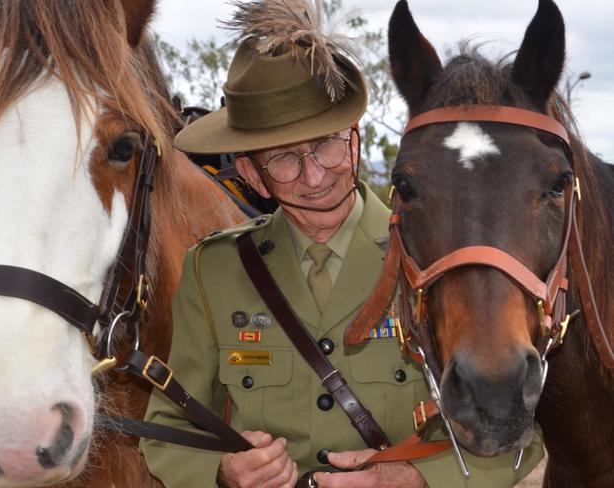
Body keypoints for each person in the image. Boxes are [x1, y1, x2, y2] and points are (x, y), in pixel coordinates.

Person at [141, 1, 544, 486]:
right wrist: (223, 471)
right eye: (284, 159)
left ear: (355, 138)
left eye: (327, 144)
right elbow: (166, 430)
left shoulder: (444, 257)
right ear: (251, 175)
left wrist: (415, 478)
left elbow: (518, 430)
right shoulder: (216, 271)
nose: (314, 175)